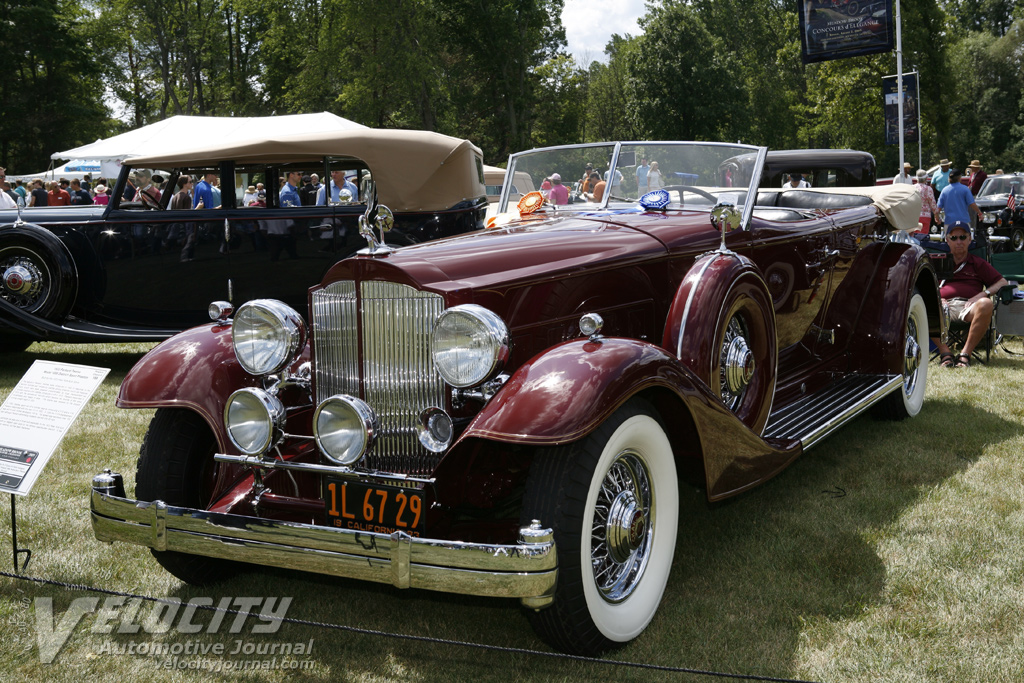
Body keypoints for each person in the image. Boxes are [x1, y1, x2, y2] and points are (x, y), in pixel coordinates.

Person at [930, 221, 1008, 368]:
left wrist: (981, 295)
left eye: (962, 237)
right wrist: (937, 299)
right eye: (954, 238)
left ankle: (965, 355)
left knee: (986, 303)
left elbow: (1002, 282)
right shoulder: (937, 262)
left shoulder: (978, 263)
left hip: (969, 307)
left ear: (969, 239)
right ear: (947, 240)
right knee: (926, 303)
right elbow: (923, 286)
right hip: (942, 307)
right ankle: (945, 353)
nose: (958, 241)